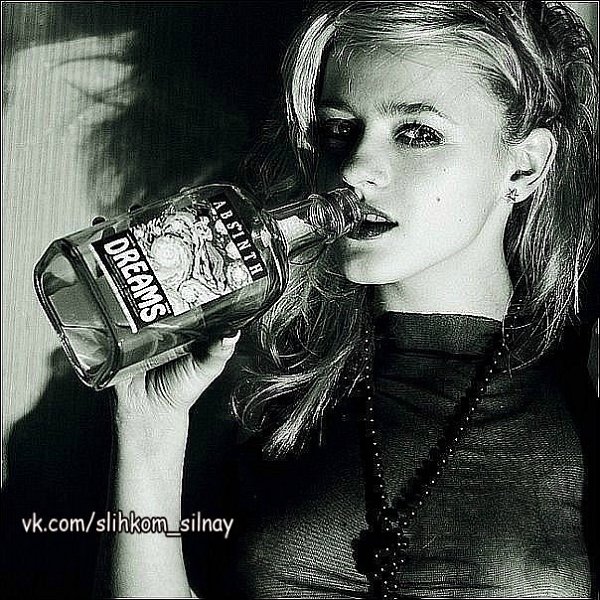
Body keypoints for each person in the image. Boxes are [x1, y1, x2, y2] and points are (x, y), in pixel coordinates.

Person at [94, 1, 598, 598]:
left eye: (417, 133)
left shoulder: (579, 393)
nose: (356, 169)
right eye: (339, 130)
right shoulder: (268, 390)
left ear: (523, 166)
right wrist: (148, 421)